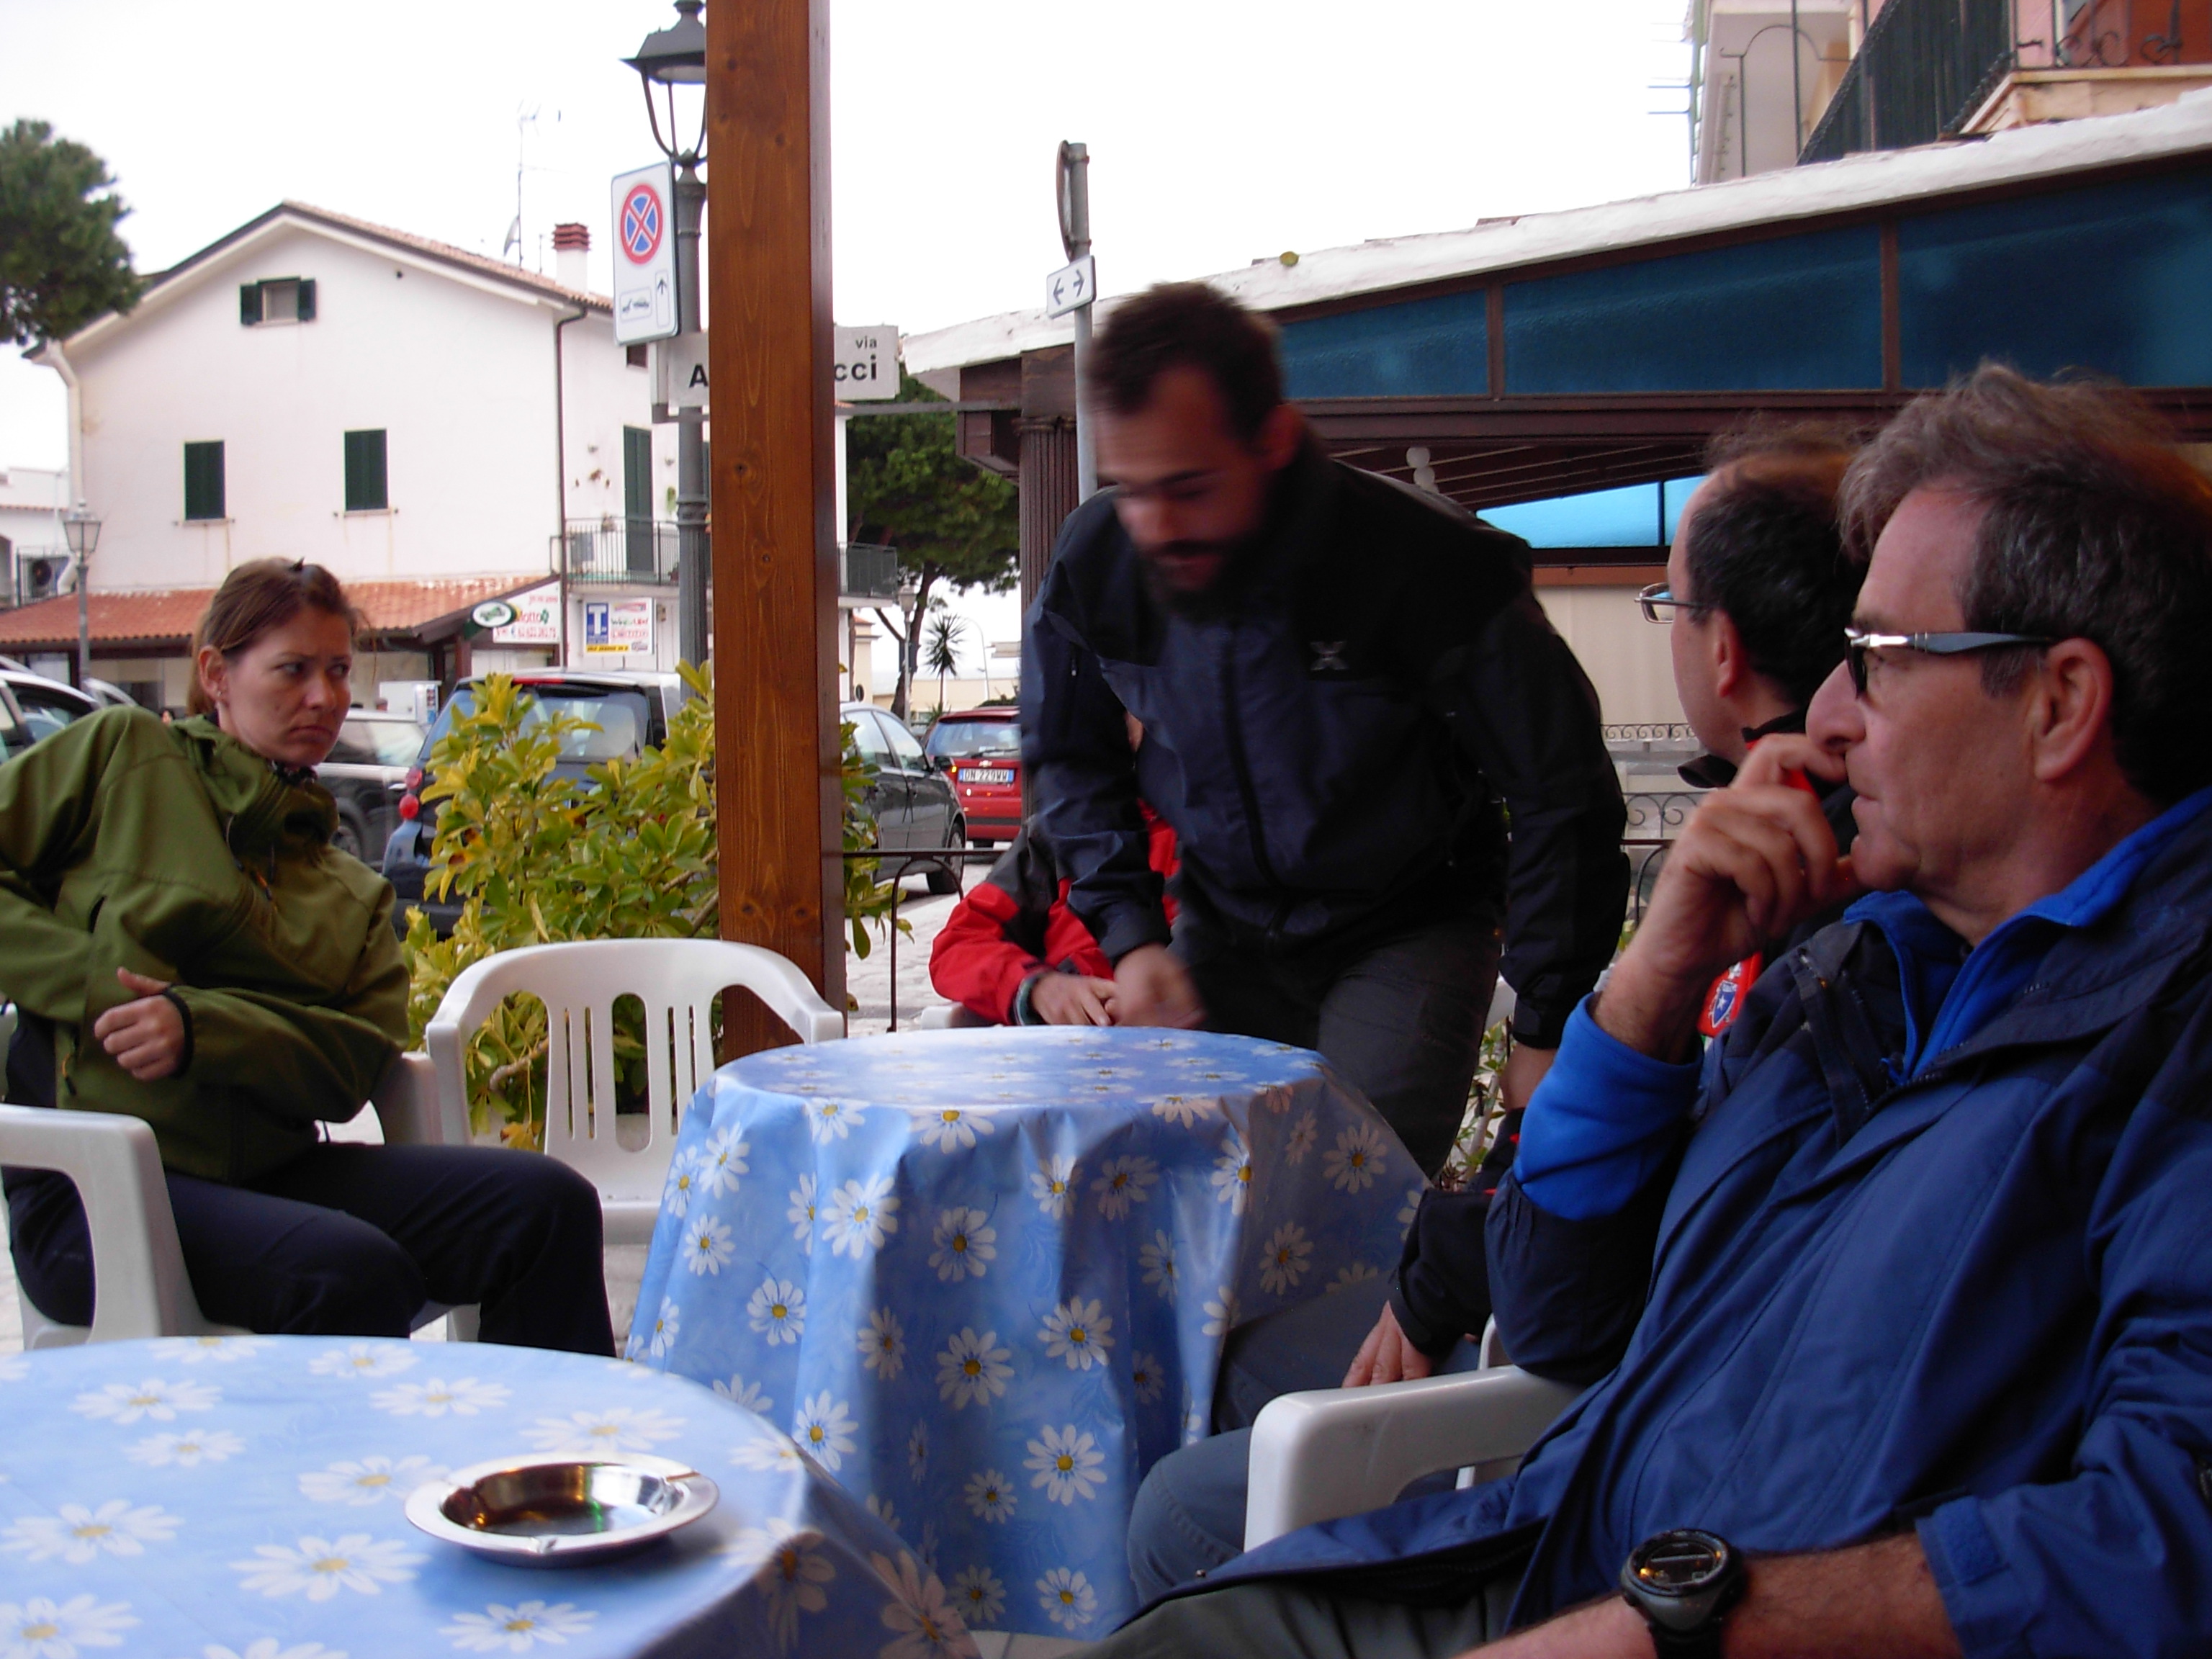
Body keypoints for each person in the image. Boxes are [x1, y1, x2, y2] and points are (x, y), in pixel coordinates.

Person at [1094, 365, 2212, 1658]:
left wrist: (1678, 1624)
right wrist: (1649, 989)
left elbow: (2164, 1541)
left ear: (2059, 705)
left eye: (1877, 661)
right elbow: (1555, 1308)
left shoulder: (2169, 1037)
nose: (1828, 719)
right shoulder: (1862, 967)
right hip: (1558, 1561)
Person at [1125, 428, 1870, 1601]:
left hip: (1622, 1413)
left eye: (1667, 604)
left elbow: (1584, 1268)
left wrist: (1445, 1266)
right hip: (1601, 1330)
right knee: (1246, 1350)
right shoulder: (1792, 864)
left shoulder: (1800, 902)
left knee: (1182, 1496)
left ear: (1720, 648)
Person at [1023, 282, 1627, 1177]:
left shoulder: (1427, 564)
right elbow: (1071, 756)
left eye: (1187, 488)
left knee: (1350, 1186)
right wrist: (1133, 935)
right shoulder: (1100, 561)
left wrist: (1546, 1022)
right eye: (1133, 488)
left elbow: (1561, 785)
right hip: (1225, 922)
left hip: (1410, 920)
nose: (1155, 527)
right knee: (1175, 1179)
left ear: (1270, 440)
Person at [0, 560, 613, 1352]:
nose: (324, 697)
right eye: (292, 669)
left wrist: (202, 1029)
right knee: (347, 1273)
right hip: (92, 1191)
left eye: (339, 671)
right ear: (216, 674)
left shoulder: (349, 890)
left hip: (272, 1176)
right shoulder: (125, 759)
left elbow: (354, 1062)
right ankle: (358, 1443)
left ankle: (541, 1433)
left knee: (548, 1206)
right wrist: (92, 985)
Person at [930, 806, 1179, 1026]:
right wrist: (1039, 988)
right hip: (1069, 1048)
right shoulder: (1057, 833)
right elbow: (957, 945)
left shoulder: (1199, 835)